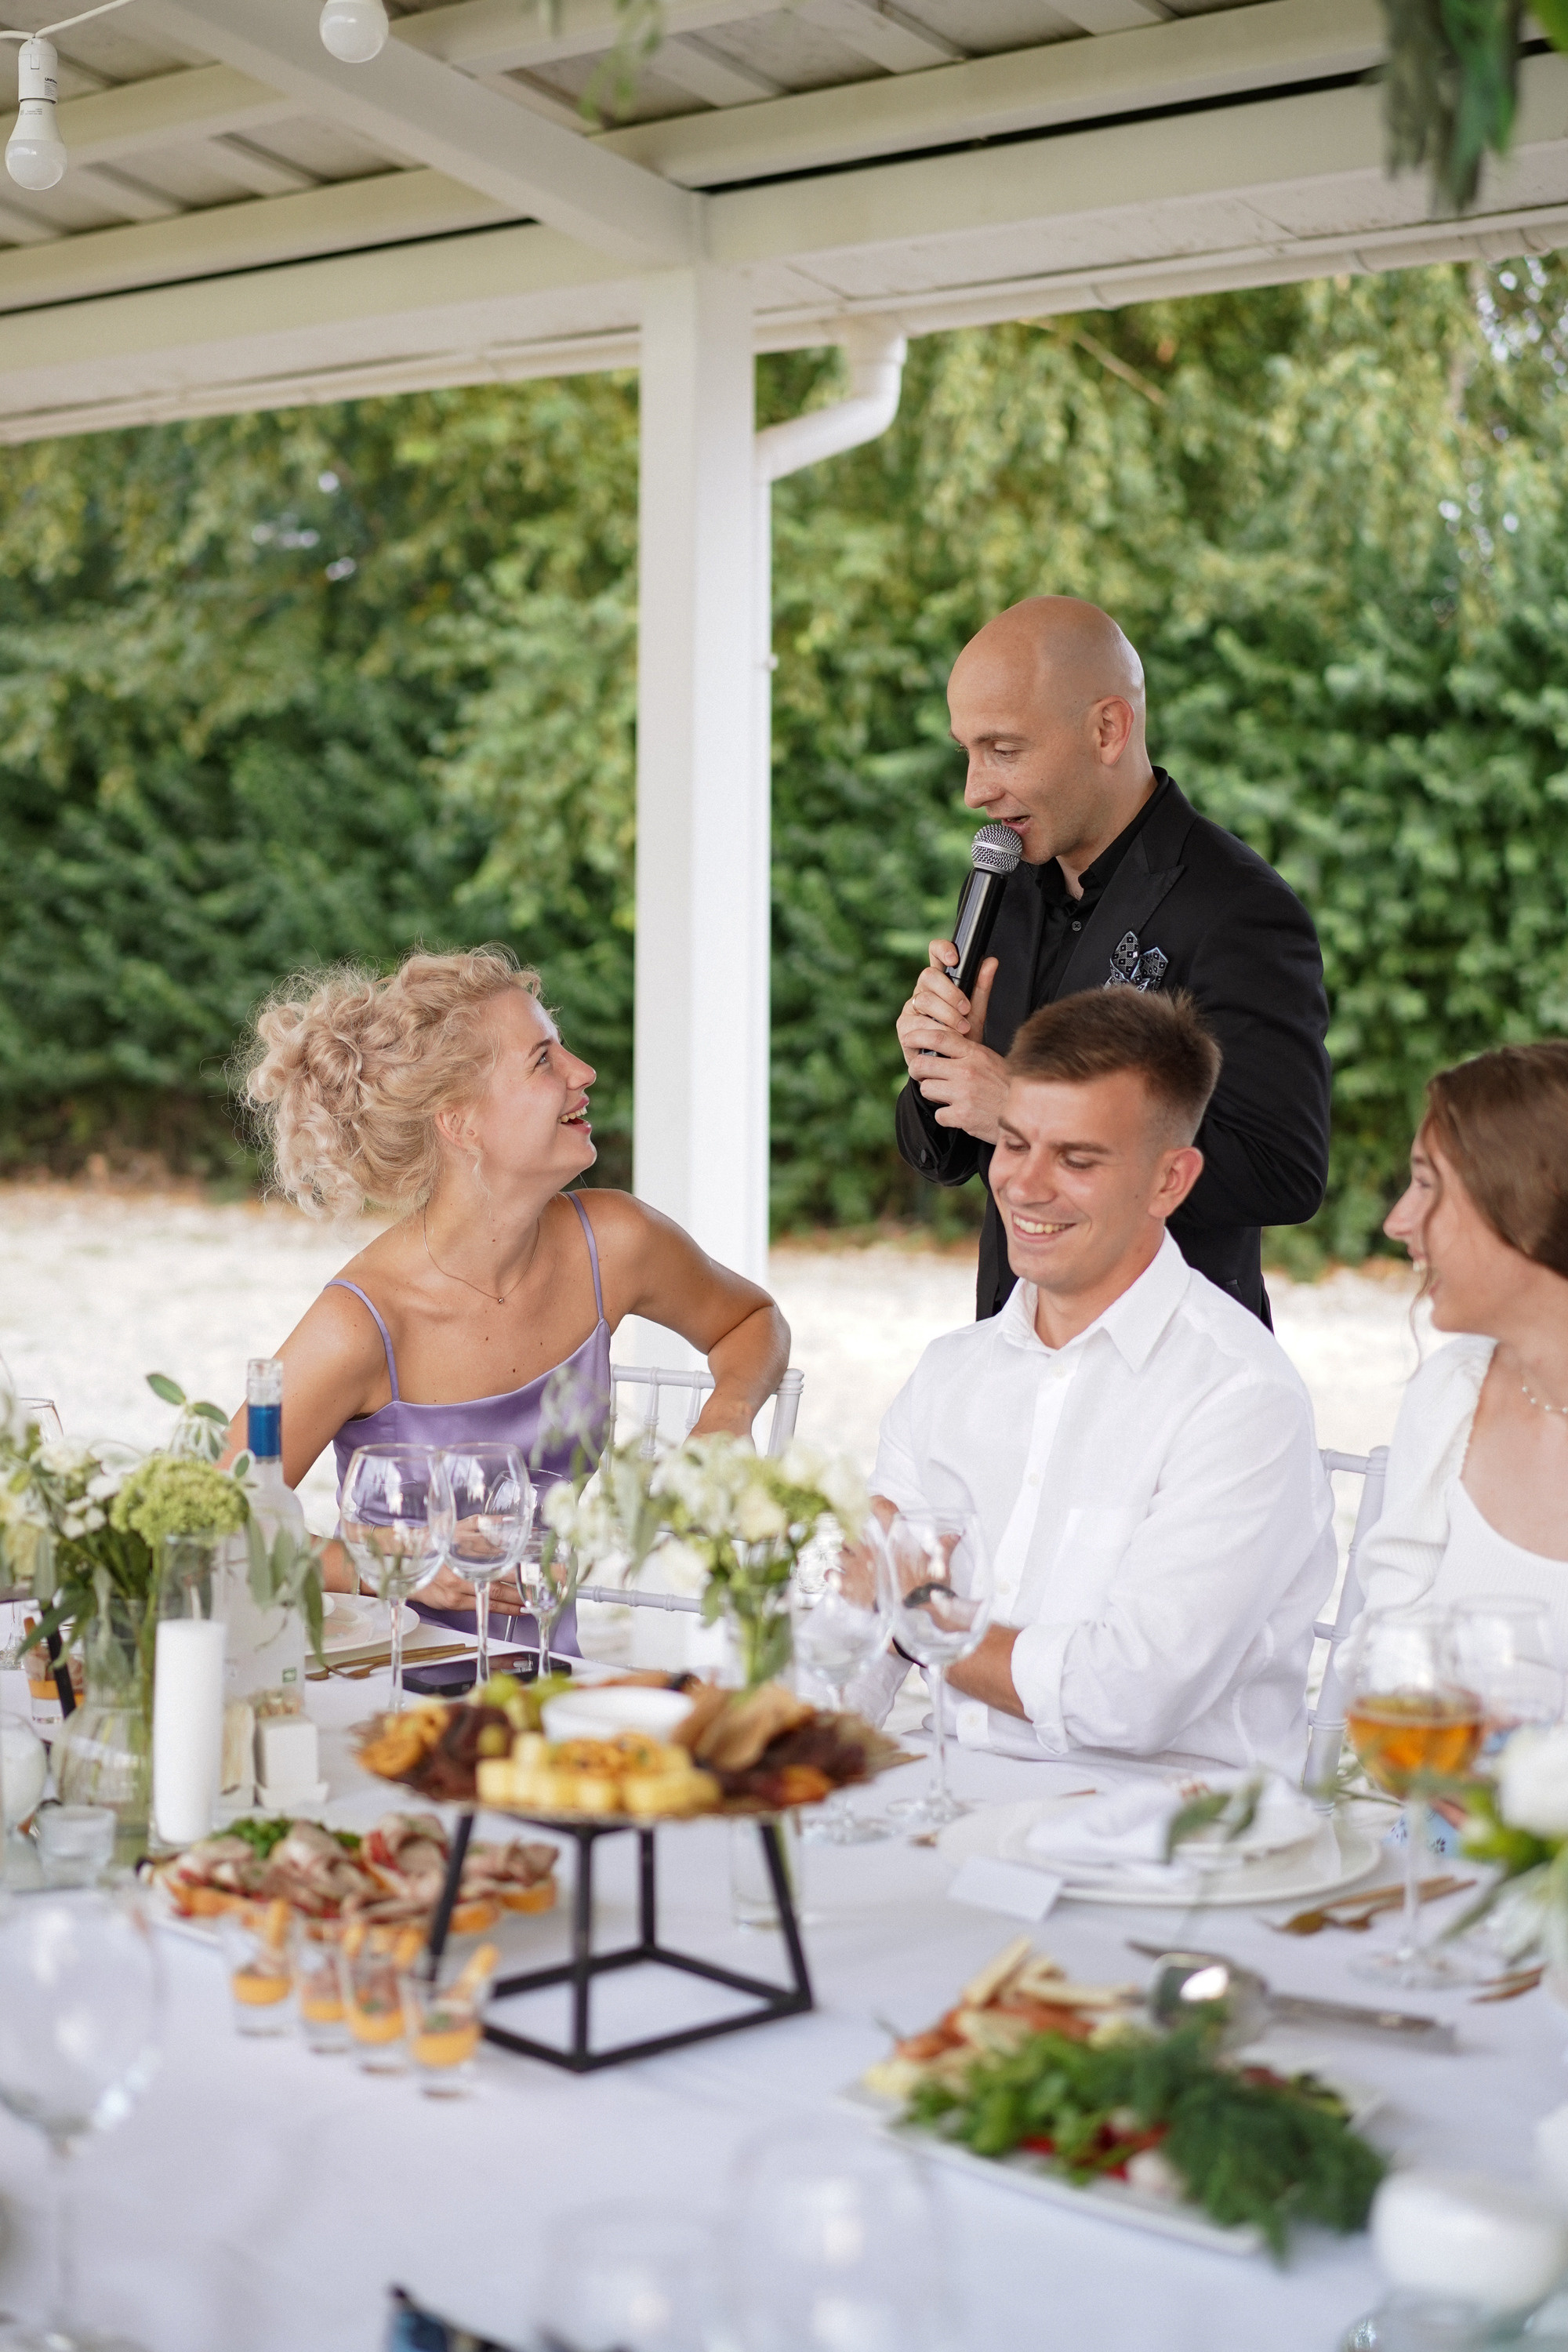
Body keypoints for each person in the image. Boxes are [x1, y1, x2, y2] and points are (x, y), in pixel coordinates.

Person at [232, 947, 789, 1647]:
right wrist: (373, 1566)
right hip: (389, 1699)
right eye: (543, 1060)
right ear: (460, 1121)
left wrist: (729, 1412)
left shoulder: (615, 1244)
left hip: (552, 1699)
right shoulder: (361, 1324)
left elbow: (751, 1319)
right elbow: (216, 1519)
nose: (582, 1073)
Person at [853, 986, 1335, 1775]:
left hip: (1166, 1845)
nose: (1024, 1185)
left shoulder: (1240, 1397)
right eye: (1011, 1144)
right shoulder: (949, 1373)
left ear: (1168, 1183)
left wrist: (911, 1611)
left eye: (1075, 1159)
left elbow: (1123, 1697)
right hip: (945, 1807)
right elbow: (861, 1643)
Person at [894, 595, 1331, 1327]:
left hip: (1173, 1373)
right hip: (1016, 1347)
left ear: (1107, 729)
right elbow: (944, 1155)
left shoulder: (1240, 908)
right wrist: (936, 1065)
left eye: (1003, 750)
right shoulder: (1007, 884)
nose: (975, 790)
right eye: (966, 751)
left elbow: (1283, 1170)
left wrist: (1021, 1111)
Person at [1358, 1043, 1568, 1657]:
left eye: (1427, 1184)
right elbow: (1385, 1659)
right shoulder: (1450, 1394)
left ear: (1529, 1203)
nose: (1398, 1221)